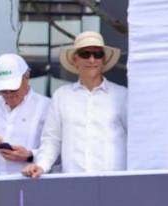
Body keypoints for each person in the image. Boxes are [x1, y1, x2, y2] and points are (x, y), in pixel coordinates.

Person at [22, 31, 127, 178]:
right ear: (75, 59)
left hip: (114, 183)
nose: (92, 59)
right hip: (74, 182)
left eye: (97, 54)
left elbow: (136, 140)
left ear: (103, 60)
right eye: (85, 54)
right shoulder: (61, 96)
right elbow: (52, 140)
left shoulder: (122, 95)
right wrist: (41, 166)